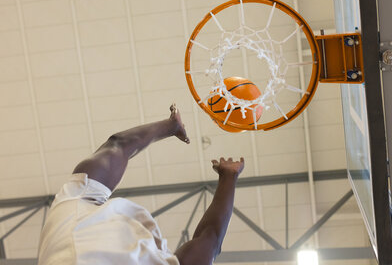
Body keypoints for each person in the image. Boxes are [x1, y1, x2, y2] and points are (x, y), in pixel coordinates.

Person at [38, 104, 245, 265]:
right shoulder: (68, 215)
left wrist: (229, 178)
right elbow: (117, 144)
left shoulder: (69, 214)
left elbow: (210, 240)